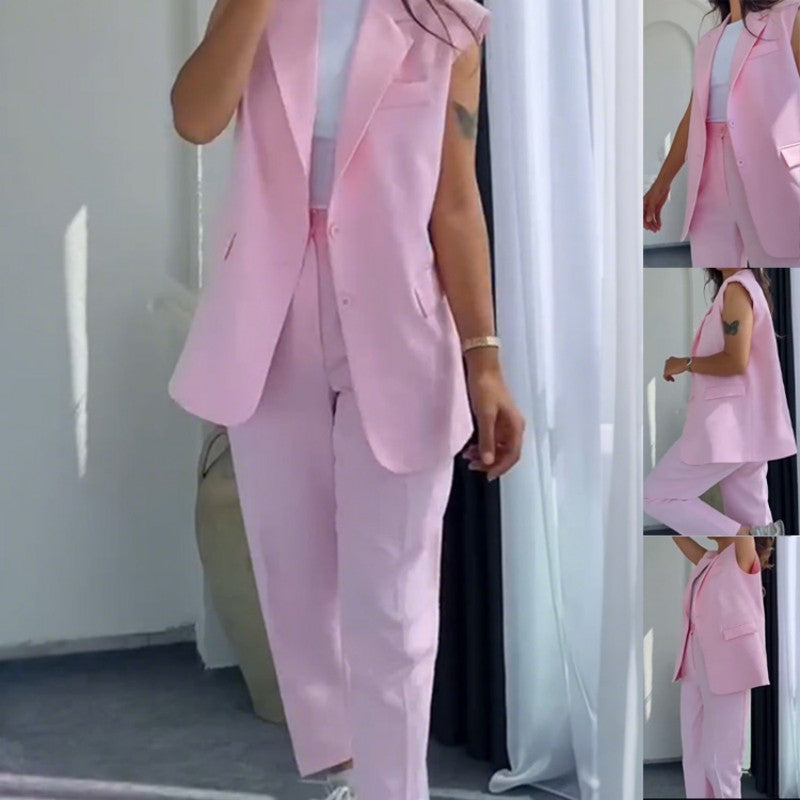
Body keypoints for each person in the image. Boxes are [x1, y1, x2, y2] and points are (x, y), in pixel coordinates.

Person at [167, 1, 525, 799]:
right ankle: (351, 771)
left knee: (394, 599)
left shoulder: (446, 18)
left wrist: (485, 357)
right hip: (270, 317)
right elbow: (196, 117)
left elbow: (455, 199)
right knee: (296, 584)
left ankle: (395, 788)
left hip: (400, 318)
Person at [643, 0, 800, 268]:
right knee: (719, 262)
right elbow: (694, 115)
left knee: (782, 253)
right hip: (709, 176)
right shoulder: (709, 41)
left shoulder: (789, 16)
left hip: (771, 170)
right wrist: (662, 182)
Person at [644, 268, 794, 536]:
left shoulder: (736, 288)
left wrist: (685, 363)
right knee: (755, 519)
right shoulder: (745, 286)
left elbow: (735, 361)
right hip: (747, 428)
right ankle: (754, 539)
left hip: (728, 429)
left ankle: (745, 536)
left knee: (654, 495)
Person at [671, 534, 772, 798]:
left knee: (721, 760)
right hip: (693, 662)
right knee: (693, 754)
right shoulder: (709, 559)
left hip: (728, 664)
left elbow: (741, 525)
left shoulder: (742, 555)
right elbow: (677, 534)